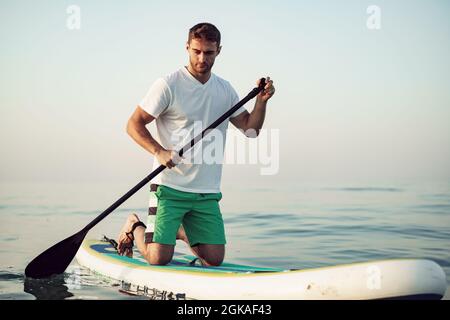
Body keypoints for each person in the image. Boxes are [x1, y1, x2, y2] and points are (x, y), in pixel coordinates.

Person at [117, 22, 275, 266]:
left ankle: (179, 230)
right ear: (187, 47)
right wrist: (159, 151)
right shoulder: (168, 85)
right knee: (158, 258)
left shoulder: (225, 90)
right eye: (196, 51)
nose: (202, 58)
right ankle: (135, 226)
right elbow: (133, 124)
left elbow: (251, 130)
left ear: (218, 51)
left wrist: (262, 101)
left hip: (206, 191)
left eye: (209, 53)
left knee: (214, 260)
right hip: (169, 188)